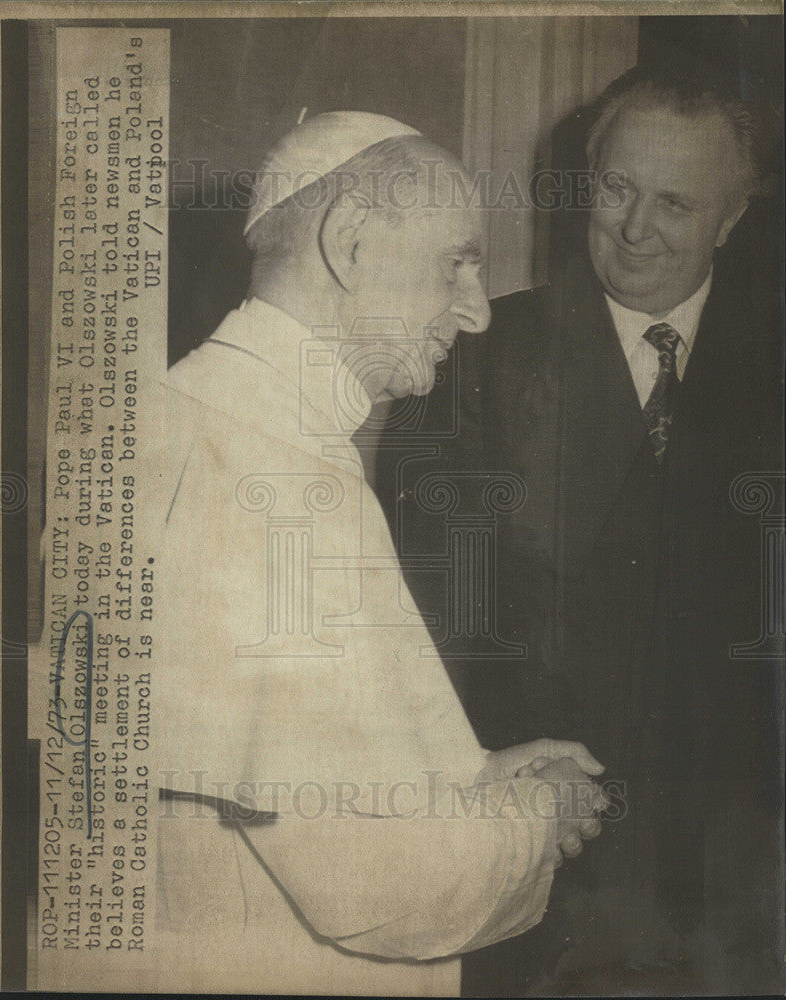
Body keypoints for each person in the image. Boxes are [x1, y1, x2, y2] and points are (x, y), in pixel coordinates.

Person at [145, 111, 608, 995]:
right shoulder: (274, 477)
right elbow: (381, 882)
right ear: (350, 243)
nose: (475, 313)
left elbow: (299, 787)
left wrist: (469, 782)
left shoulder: (209, 426)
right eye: (457, 263)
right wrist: (538, 817)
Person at [377, 67, 783, 995]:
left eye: (675, 203)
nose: (635, 229)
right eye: (615, 189)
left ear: (729, 220)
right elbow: (425, 634)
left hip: (741, 891)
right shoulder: (466, 359)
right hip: (538, 872)